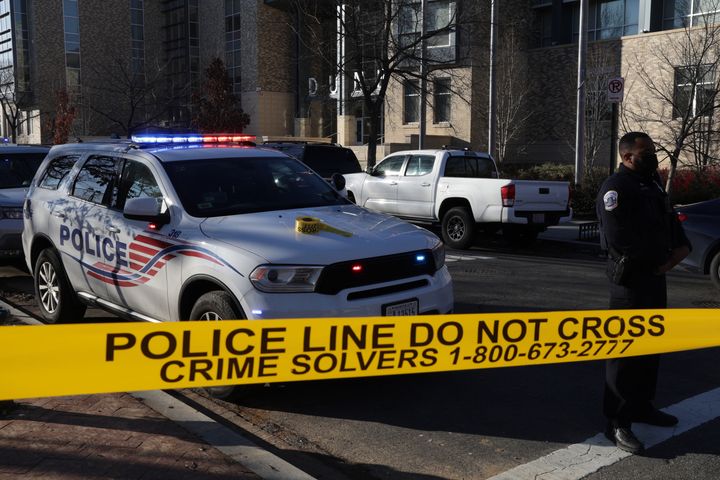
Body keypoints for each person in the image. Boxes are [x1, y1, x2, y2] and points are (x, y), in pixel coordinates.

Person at [596, 131, 691, 454]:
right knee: (624, 356)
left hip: (654, 279)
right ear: (626, 157)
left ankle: (642, 406)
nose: (651, 155)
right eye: (645, 152)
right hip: (631, 283)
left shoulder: (650, 185)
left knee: (651, 347)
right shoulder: (615, 188)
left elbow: (669, 223)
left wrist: (679, 250)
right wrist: (658, 262)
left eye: (651, 150)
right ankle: (617, 423)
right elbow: (619, 238)